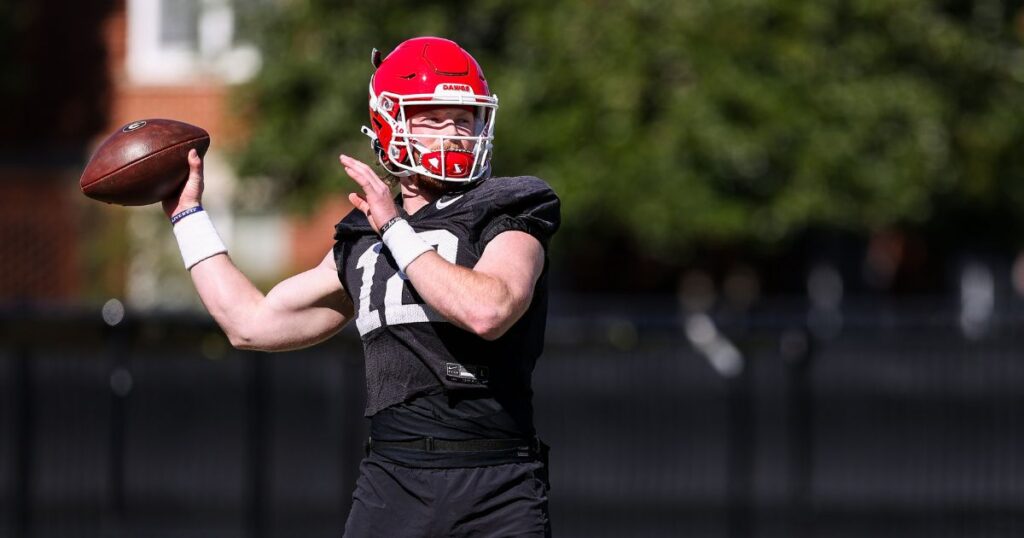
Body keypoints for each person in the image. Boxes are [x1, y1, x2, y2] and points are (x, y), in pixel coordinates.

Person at [162, 36, 560, 536]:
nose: (455, 132)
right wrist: (187, 217)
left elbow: (491, 309)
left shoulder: (511, 208)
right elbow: (250, 323)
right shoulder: (361, 238)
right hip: (392, 485)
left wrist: (396, 228)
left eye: (465, 117)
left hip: (496, 485)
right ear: (389, 123)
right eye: (433, 117)